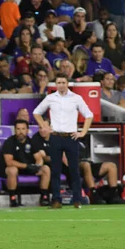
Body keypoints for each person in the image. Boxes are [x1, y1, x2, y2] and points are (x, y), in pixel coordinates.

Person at [33, 73, 93, 209]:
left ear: (67, 84)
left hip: (71, 137)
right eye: (58, 83)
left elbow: (89, 115)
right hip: (55, 136)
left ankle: (77, 199)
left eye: (63, 82)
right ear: (56, 84)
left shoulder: (76, 98)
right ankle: (56, 199)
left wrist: (82, 132)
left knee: (74, 170)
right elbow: (36, 112)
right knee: (55, 170)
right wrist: (44, 125)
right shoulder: (50, 98)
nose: (61, 85)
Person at [2, 119, 51, 207]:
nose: (21, 132)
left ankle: (44, 197)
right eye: (18, 129)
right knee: (12, 170)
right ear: (15, 130)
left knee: (46, 169)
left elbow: (38, 158)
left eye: (23, 129)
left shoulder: (32, 141)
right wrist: (26, 166)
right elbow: (9, 162)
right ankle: (13, 199)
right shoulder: (9, 142)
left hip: (29, 168)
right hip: (16, 169)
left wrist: (37, 165)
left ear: (27, 130)